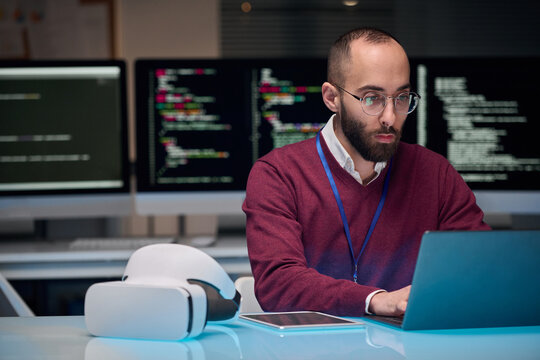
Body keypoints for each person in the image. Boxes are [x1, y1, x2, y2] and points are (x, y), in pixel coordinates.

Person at [242, 27, 490, 317]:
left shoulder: (435, 173)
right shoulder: (278, 174)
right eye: (372, 98)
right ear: (332, 97)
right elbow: (278, 285)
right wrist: (374, 300)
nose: (390, 117)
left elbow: (482, 269)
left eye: (401, 98)